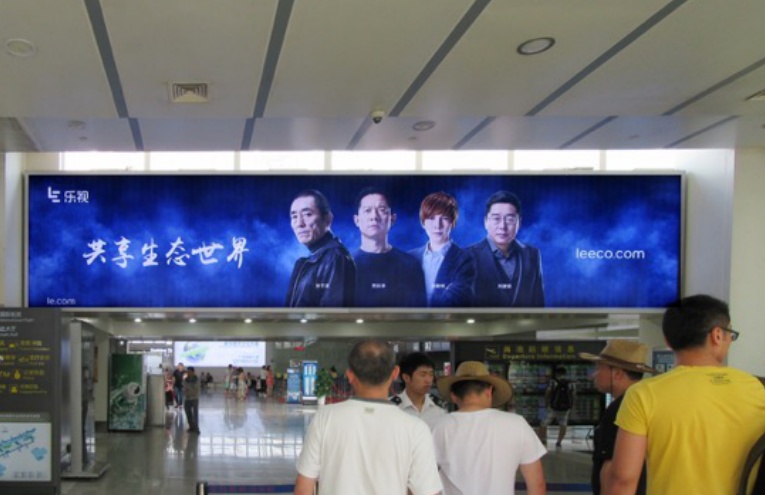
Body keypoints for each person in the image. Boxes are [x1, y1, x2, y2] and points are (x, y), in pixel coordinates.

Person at [606, 294, 765, 494]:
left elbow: (623, 480)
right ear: (717, 335)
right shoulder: (758, 389)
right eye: (730, 334)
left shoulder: (643, 395)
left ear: (668, 341)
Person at [295, 340, 442, 495]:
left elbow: (303, 487)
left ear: (350, 375)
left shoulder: (325, 418)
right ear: (395, 373)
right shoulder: (416, 428)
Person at [432, 361, 546, 495]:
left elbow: (423, 482)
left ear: (453, 396)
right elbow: (537, 484)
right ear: (489, 391)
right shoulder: (517, 424)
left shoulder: (438, 427)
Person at [579, 340, 657, 495]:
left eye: (598, 368)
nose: (594, 375)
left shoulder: (620, 409)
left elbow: (614, 472)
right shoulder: (647, 404)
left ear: (617, 374)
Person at [468, 191, 544, 307]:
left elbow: (538, 305)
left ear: (519, 223)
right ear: (486, 222)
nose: (502, 226)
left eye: (509, 219)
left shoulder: (533, 255)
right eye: (496, 219)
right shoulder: (467, 256)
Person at [352, 187, 426, 307]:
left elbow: (419, 312)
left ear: (392, 219)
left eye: (381, 210)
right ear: (357, 220)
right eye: (367, 210)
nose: (374, 216)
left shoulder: (411, 265)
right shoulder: (344, 266)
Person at [286, 189, 356, 307]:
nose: (299, 223)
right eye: (294, 216)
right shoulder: (304, 262)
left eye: (307, 214)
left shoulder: (335, 257)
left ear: (327, 219)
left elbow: (333, 314)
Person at [408, 191, 476, 307]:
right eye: (431, 218)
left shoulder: (465, 259)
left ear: (453, 222)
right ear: (423, 223)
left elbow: (457, 300)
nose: (437, 225)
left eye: (444, 218)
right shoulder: (410, 257)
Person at [390, 352, 446, 429]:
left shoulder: (438, 406)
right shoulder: (392, 407)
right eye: (423, 375)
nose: (428, 380)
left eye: (431, 374)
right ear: (406, 378)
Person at [538, 365, 575, 448]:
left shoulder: (553, 382)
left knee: (544, 423)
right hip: (566, 408)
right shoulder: (571, 383)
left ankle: (541, 440)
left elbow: (548, 392)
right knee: (563, 424)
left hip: (553, 407)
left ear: (557, 373)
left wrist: (546, 401)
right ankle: (559, 442)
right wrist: (572, 405)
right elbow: (573, 394)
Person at [183, 366, 201, 433]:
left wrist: (192, 393)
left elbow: (197, 388)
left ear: (193, 372)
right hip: (187, 398)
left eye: (190, 372)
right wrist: (186, 393)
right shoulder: (185, 379)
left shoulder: (196, 379)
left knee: (195, 413)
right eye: (187, 372)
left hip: (194, 398)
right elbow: (184, 387)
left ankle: (196, 428)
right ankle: (191, 426)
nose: (188, 373)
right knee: (188, 413)